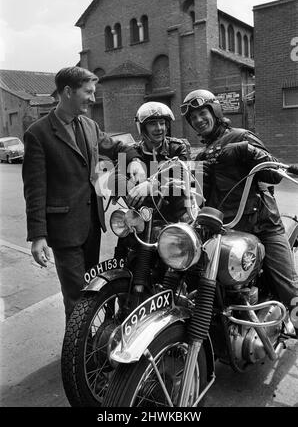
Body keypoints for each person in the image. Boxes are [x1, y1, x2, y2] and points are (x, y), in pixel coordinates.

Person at [22, 66, 146, 322]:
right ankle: (77, 355)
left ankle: (90, 346)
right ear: (67, 92)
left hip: (92, 223)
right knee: (76, 297)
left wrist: (132, 160)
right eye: (88, 92)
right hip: (64, 229)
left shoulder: (89, 125)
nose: (93, 98)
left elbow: (116, 146)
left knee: (90, 290)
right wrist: (38, 236)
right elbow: (35, 189)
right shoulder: (38, 133)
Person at [180, 88, 298, 334]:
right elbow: (203, 195)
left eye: (202, 113)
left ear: (215, 111)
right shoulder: (203, 154)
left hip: (262, 224)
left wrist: (249, 151)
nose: (199, 121)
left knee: (289, 287)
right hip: (228, 228)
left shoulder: (242, 137)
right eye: (193, 119)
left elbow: (273, 174)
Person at [114, 101, 190, 258]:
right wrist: (129, 187)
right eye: (153, 124)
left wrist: (151, 185)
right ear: (142, 128)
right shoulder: (132, 152)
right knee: (124, 258)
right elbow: (115, 177)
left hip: (171, 217)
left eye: (162, 123)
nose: (159, 128)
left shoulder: (177, 147)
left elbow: (182, 173)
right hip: (138, 219)